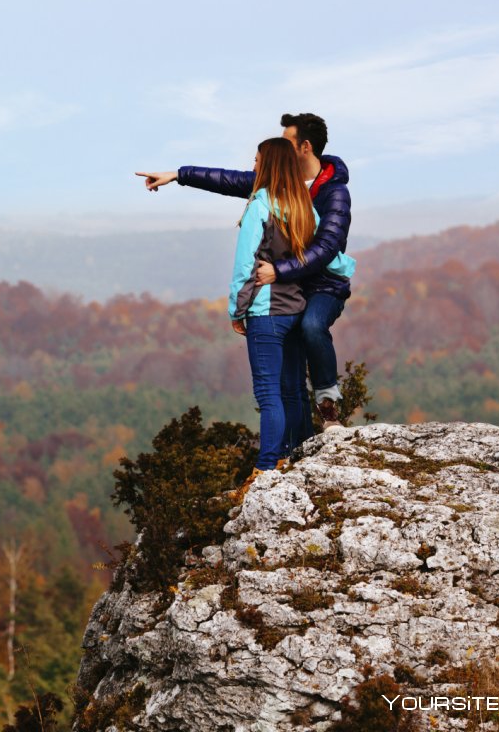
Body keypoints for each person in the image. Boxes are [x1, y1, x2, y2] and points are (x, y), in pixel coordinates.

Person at [138, 113, 352, 445]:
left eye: (287, 141)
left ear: (305, 147)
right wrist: (177, 175)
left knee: (312, 326)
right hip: (291, 290)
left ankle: (329, 409)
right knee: (289, 383)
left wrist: (278, 271)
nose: (279, 145)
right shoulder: (281, 185)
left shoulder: (334, 193)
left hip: (323, 285)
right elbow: (227, 180)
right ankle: (296, 447)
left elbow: (326, 249)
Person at [226, 138, 354, 494]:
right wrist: (346, 267)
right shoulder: (303, 206)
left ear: (268, 165)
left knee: (269, 393)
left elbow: (244, 264)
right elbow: (322, 252)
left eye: (255, 161)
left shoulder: (259, 206)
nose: (252, 166)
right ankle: (296, 455)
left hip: (265, 310)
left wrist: (237, 309)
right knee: (293, 389)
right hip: (296, 307)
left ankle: (267, 466)